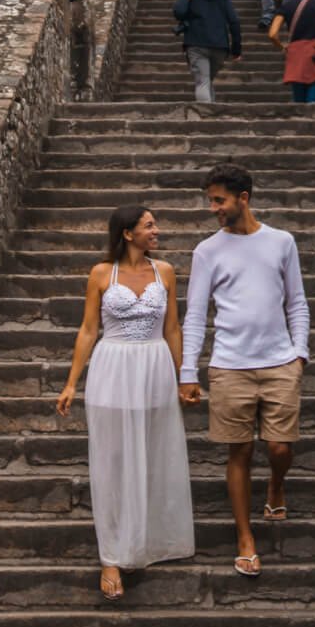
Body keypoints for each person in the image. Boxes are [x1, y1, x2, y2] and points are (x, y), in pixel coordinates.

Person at [56, 203, 194, 600]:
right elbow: (87, 329)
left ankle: (147, 539)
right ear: (128, 233)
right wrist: (70, 383)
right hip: (112, 366)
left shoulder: (164, 271)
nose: (157, 230)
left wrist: (184, 377)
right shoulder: (102, 273)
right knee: (112, 458)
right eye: (149, 225)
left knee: (152, 452)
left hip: (154, 367)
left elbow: (172, 329)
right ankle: (111, 555)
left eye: (155, 224)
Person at [178, 163, 310, 578]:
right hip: (230, 365)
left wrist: (299, 353)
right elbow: (196, 315)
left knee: (279, 448)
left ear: (244, 199)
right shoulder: (207, 250)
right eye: (211, 201)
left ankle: (275, 484)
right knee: (239, 450)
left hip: (279, 362)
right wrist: (188, 371)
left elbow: (297, 303)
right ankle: (245, 538)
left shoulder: (281, 242)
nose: (214, 208)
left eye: (219, 200)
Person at [173, 0, 242, 104]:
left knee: (202, 81)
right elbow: (234, 21)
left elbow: (179, 12)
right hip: (220, 46)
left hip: (196, 42)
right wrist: (237, 49)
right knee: (207, 79)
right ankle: (211, 111)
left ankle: (205, 118)